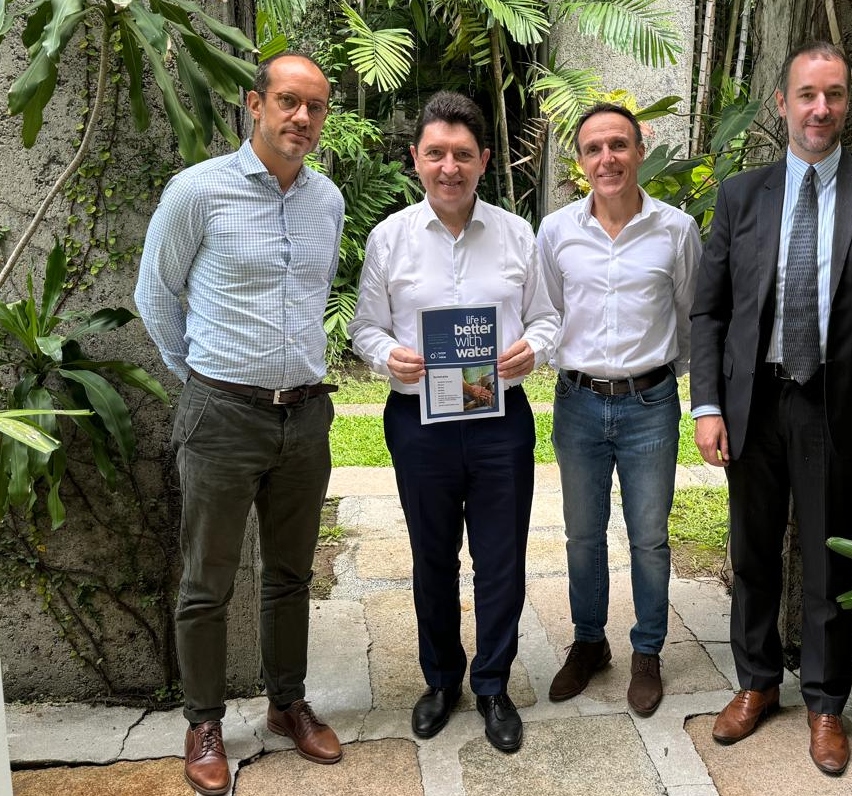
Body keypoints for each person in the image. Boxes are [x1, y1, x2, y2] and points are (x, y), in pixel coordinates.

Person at [690, 42, 852, 775]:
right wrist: (706, 405)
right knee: (752, 552)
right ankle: (757, 683)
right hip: (755, 402)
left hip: (837, 407)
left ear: (846, 103)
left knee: (829, 557)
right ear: (782, 103)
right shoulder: (741, 196)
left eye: (833, 95)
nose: (819, 109)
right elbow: (709, 313)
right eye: (806, 95)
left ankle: (825, 703)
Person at [135, 52, 345, 795]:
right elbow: (155, 293)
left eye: (315, 106)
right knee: (207, 581)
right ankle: (203, 722)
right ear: (255, 105)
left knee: (290, 575)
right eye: (289, 101)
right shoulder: (198, 191)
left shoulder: (327, 200)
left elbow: (313, 296)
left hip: (305, 415)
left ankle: (287, 703)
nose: (302, 118)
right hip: (221, 413)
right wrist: (201, 378)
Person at [350, 91, 559, 753]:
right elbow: (365, 328)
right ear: (415, 157)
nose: (449, 167)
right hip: (419, 423)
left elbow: (547, 317)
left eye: (462, 154)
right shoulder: (389, 238)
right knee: (432, 557)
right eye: (436, 153)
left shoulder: (517, 234)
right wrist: (389, 355)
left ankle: (493, 684)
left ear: (484, 160)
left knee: (501, 560)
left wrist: (534, 348)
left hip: (500, 422)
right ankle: (441, 680)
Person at [537, 103, 701, 717]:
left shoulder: (676, 230)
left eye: (618, 145)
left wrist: (659, 379)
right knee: (582, 535)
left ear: (638, 152)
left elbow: (690, 315)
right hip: (577, 403)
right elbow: (548, 312)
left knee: (649, 538)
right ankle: (589, 643)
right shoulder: (556, 231)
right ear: (581, 162)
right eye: (593, 149)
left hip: (650, 406)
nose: (607, 158)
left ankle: (647, 651)